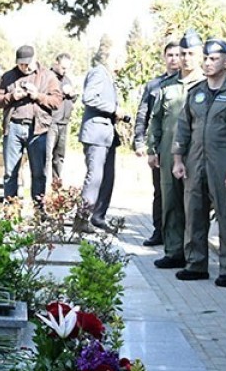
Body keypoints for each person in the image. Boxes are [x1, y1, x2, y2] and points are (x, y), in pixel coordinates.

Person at [171, 39, 226, 287]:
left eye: (214, 59)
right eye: (206, 58)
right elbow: (183, 127)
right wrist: (178, 159)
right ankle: (195, 264)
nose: (208, 63)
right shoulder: (196, 93)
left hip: (224, 162)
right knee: (194, 213)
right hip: (195, 161)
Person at [149, 31, 205, 270]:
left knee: (194, 206)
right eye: (183, 54)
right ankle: (173, 251)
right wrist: (152, 149)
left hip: (197, 153)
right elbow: (156, 119)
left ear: (200, 55)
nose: (186, 58)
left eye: (191, 53)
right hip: (168, 151)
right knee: (170, 202)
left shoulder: (207, 84)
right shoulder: (167, 86)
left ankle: (194, 254)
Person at [0, 46, 63, 205]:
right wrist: (11, 96)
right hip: (13, 128)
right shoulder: (8, 76)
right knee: (10, 172)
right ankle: (11, 210)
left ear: (35, 59)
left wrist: (37, 96)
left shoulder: (48, 76)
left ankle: (38, 209)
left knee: (38, 173)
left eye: (27, 64)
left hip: (37, 129)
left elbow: (57, 101)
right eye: (21, 64)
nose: (24, 67)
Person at [133, 42, 181, 245]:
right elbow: (143, 115)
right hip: (161, 147)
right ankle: (159, 231)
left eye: (178, 54)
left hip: (185, 147)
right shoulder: (154, 85)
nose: (174, 59)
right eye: (170, 55)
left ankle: (181, 235)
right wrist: (139, 142)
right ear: (164, 57)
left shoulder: (192, 84)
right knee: (160, 192)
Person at [78, 46, 125, 232]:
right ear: (114, 59)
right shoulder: (98, 73)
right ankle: (82, 219)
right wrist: (114, 109)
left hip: (107, 136)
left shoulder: (110, 78)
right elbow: (88, 98)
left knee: (107, 178)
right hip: (96, 134)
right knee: (95, 177)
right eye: (121, 60)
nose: (122, 65)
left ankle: (98, 217)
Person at [44, 53, 76, 189]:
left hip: (64, 122)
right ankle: (42, 188)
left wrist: (72, 95)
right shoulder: (47, 78)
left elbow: (72, 99)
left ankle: (56, 188)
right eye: (63, 68)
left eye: (67, 68)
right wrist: (63, 93)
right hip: (51, 122)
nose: (65, 71)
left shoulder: (67, 80)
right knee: (46, 156)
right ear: (56, 63)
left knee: (59, 157)